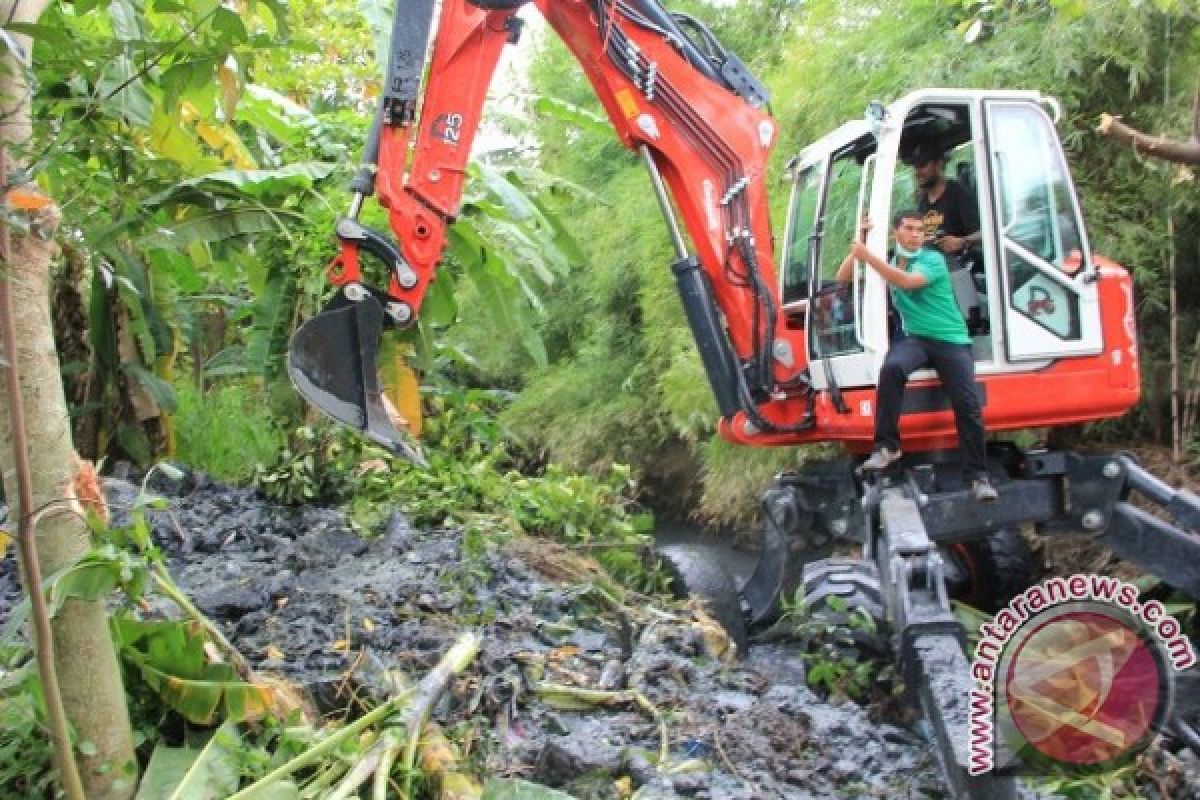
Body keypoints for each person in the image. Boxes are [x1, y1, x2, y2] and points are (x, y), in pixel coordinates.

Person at [836, 211, 997, 502]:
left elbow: (908, 282)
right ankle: (887, 447)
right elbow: (842, 276)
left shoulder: (932, 260)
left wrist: (869, 258)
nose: (916, 235)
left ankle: (978, 476)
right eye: (909, 229)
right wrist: (860, 244)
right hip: (916, 339)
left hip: (950, 339)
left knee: (968, 403)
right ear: (895, 232)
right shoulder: (888, 257)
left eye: (920, 230)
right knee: (892, 369)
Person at [907, 142, 981, 259]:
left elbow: (986, 234)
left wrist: (962, 241)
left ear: (939, 164)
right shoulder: (922, 202)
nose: (917, 172)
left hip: (962, 268)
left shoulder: (959, 193)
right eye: (915, 167)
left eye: (922, 165)